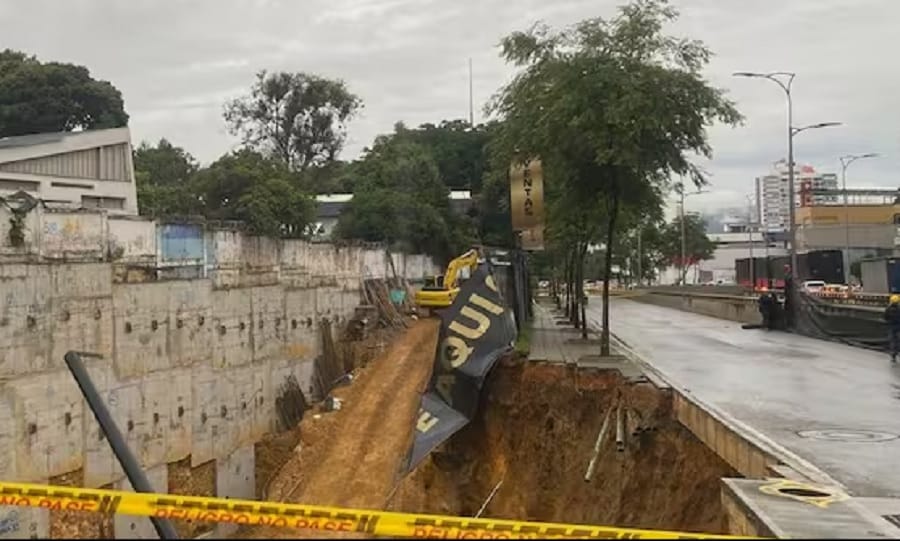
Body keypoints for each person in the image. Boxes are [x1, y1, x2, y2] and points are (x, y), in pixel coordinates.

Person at [883, 295, 900, 363]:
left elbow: (885, 317)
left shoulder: (888, 309)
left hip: (891, 327)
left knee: (893, 341)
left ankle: (893, 356)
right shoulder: (899, 309)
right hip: (899, 326)